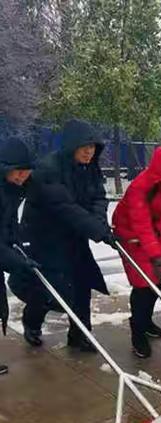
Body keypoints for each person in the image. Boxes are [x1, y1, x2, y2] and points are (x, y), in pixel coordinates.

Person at [9, 120, 115, 352]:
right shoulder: (48, 170)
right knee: (48, 289)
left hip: (74, 235)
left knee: (81, 284)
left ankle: (80, 334)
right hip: (44, 237)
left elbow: (98, 197)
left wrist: (99, 222)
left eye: (93, 147)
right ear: (71, 146)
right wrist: (99, 232)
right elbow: (65, 207)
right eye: (84, 146)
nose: (89, 151)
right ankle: (32, 322)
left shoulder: (91, 168)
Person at [112, 145, 161, 358]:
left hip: (156, 234)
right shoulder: (140, 188)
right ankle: (137, 331)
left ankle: (146, 321)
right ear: (158, 172)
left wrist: (160, 227)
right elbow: (141, 225)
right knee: (143, 285)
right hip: (133, 235)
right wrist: (155, 256)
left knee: (156, 282)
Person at [0, 138, 39, 375]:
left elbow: (8, 221)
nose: (23, 176)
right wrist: (18, 262)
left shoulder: (11, 189)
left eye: (27, 172)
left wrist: (15, 240)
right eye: (19, 171)